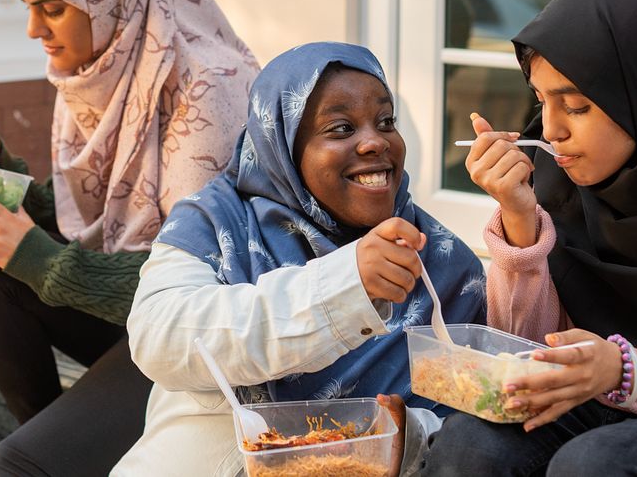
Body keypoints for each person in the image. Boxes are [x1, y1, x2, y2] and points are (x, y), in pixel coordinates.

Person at [0, 0, 259, 473]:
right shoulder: (102, 69)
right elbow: (91, 226)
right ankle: (57, 448)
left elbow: (202, 287)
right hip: (128, 320)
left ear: (115, 0)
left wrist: (38, 261)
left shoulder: (209, 86)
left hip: (202, 343)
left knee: (16, 465)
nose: (32, 29)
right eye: (28, 8)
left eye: (52, 10)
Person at [116, 42, 487, 476]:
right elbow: (159, 337)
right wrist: (345, 287)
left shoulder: (440, 263)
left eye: (385, 121)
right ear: (283, 146)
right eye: (341, 128)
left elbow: (471, 421)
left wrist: (410, 438)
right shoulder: (217, 222)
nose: (374, 142)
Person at [422, 0, 637, 475]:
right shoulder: (557, 185)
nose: (550, 130)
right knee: (471, 442)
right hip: (600, 403)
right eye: (541, 101)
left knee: (597, 464)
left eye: (577, 106)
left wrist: (631, 371)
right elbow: (527, 354)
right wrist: (520, 221)